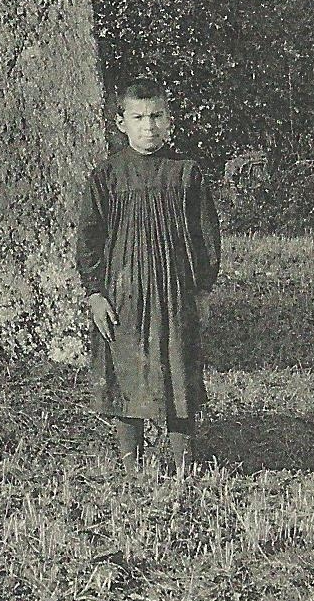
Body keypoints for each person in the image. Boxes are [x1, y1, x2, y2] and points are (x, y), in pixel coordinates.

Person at [76, 76, 222, 474]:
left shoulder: (185, 173)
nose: (149, 126)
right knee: (127, 371)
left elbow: (206, 236)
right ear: (121, 122)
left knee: (178, 369)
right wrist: (95, 293)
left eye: (157, 116)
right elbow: (89, 239)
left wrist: (202, 290)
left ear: (169, 119)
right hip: (124, 293)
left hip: (175, 292)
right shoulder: (107, 177)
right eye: (139, 117)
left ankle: (184, 466)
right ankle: (132, 468)